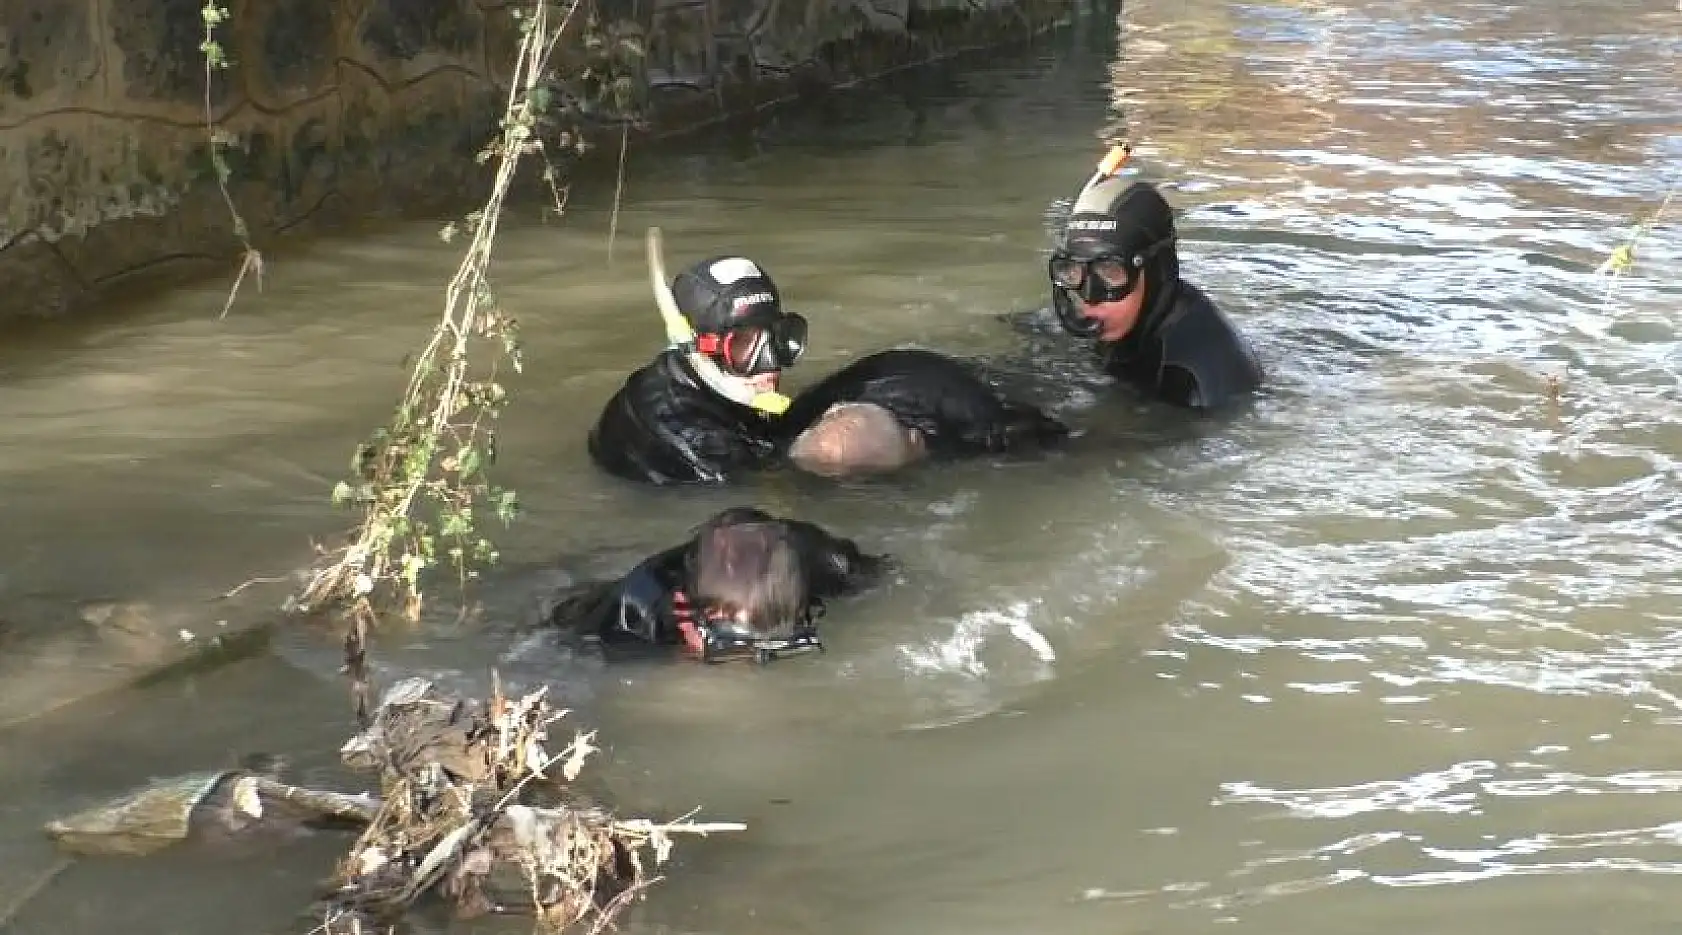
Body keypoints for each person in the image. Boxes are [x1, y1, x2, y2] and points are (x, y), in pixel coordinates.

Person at [1045, 160, 1265, 411]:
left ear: (1156, 271)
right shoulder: (1124, 319)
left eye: (1111, 272)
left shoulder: (1196, 381)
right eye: (1074, 271)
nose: (1089, 297)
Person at [546, 507, 891, 664]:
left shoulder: (822, 561)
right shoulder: (629, 620)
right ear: (685, 615)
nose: (750, 663)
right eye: (730, 647)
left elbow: (885, 575)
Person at [588, 254, 810, 486]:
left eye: (777, 338)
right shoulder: (689, 440)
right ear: (698, 347)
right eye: (744, 345)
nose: (770, 362)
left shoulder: (697, 379)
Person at [776, 347, 1070, 478]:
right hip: (881, 371)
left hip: (949, 376)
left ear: (916, 440)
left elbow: (1048, 433)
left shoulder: (975, 423)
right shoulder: (800, 415)